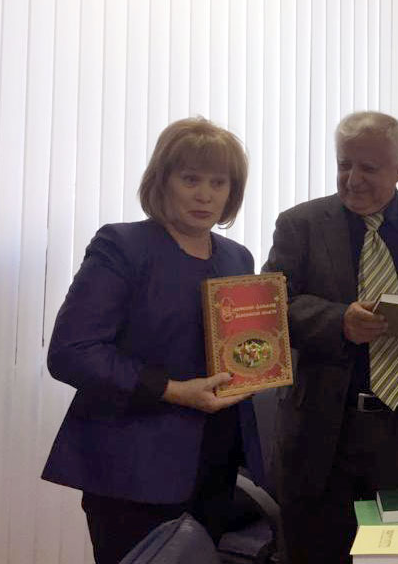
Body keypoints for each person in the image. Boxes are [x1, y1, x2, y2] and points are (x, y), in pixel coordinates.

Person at [263, 111, 398, 563]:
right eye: (344, 164)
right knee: (320, 551)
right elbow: (270, 308)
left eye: (368, 168)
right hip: (325, 430)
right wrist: (338, 321)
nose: (353, 180)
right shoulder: (300, 224)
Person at [42, 117, 263, 564]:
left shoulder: (237, 257)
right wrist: (174, 390)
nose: (205, 195)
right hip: (133, 466)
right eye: (191, 179)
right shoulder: (123, 245)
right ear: (162, 181)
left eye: (218, 183)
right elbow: (71, 352)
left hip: (217, 464)